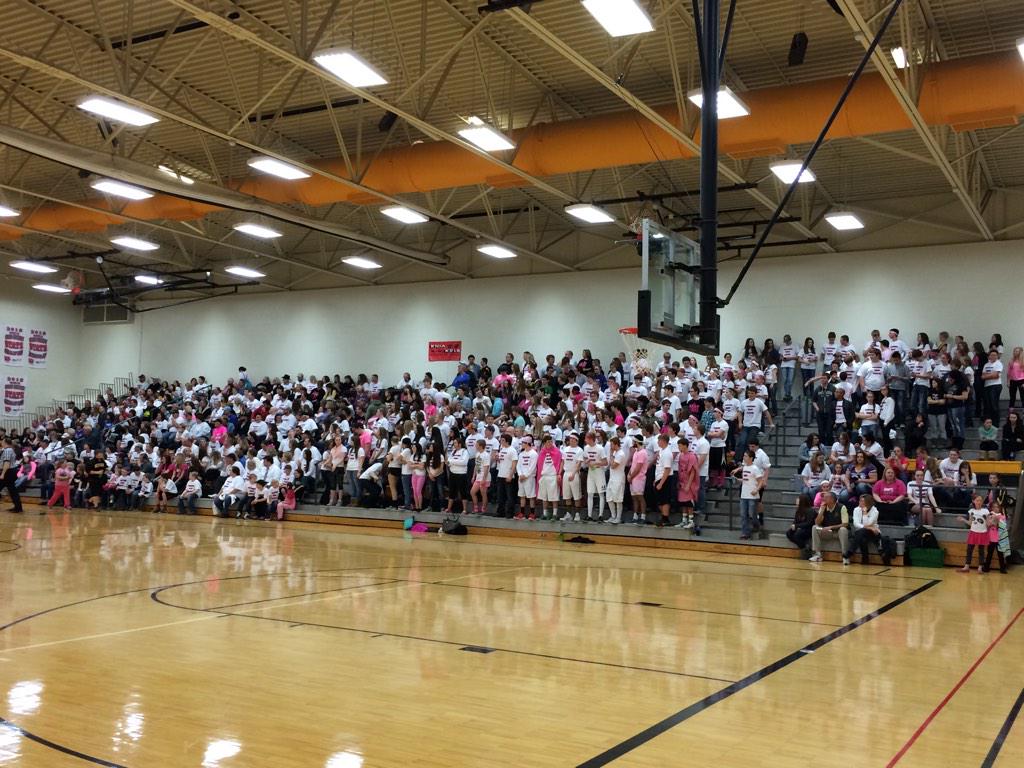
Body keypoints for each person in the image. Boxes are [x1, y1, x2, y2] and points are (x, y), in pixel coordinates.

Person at [808, 490, 849, 563]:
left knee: (843, 529)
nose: (823, 499)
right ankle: (817, 555)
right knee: (814, 527)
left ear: (832, 499)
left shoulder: (842, 507)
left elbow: (845, 524)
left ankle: (845, 556)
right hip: (827, 532)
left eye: (826, 497)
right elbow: (817, 522)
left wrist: (831, 527)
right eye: (823, 497)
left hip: (838, 532)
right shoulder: (823, 507)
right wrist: (821, 510)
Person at [733, 449, 765, 540]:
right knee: (743, 514)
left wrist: (756, 490)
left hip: (752, 495)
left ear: (751, 458)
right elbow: (746, 480)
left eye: (746, 456)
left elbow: (760, 481)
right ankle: (745, 533)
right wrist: (738, 480)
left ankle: (757, 525)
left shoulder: (755, 469)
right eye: (744, 456)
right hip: (744, 494)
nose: (744, 457)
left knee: (752, 514)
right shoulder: (745, 468)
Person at [844, 494, 882, 565]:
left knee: (860, 532)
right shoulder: (856, 509)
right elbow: (856, 524)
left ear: (868, 502)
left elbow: (867, 523)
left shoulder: (875, 511)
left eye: (862, 501)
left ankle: (851, 551)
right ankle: (865, 559)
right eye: (860, 500)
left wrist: (864, 513)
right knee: (862, 537)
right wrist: (869, 527)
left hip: (874, 533)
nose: (860, 502)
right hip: (863, 532)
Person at [958, 495, 991, 574]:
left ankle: (980, 567)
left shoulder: (986, 511)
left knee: (981, 551)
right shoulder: (971, 511)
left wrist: (992, 521)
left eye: (980, 500)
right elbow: (970, 523)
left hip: (982, 532)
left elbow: (988, 523)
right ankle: (967, 566)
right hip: (973, 532)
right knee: (969, 549)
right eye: (977, 500)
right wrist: (963, 519)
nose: (979, 502)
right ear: (974, 501)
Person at [674, 437, 699, 530]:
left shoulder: (691, 456)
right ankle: (684, 520)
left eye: (680, 445)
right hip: (682, 481)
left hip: (689, 481)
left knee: (689, 502)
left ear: (685, 445)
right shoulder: (681, 455)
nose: (679, 447)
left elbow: (693, 471)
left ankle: (691, 521)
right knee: (682, 502)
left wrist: (689, 484)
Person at [582, 431, 608, 523]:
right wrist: (587, 461)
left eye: (586, 438)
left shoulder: (600, 448)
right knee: (590, 493)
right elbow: (585, 458)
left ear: (590, 439)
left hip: (599, 472)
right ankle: (589, 515)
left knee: (601, 493)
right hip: (591, 472)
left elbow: (605, 462)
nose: (585, 440)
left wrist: (596, 462)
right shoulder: (586, 448)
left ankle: (600, 515)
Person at [535, 435, 561, 521]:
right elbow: (539, 465)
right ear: (544, 443)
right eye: (548, 442)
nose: (550, 443)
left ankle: (554, 514)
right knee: (544, 497)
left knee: (554, 497)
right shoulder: (542, 452)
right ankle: (545, 514)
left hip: (552, 476)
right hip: (544, 476)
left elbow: (560, 463)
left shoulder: (557, 452)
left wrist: (558, 474)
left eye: (551, 441)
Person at [559, 432, 584, 521]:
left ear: (577, 441)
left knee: (576, 495)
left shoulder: (579, 450)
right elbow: (562, 462)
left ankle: (577, 514)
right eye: (570, 439)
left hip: (574, 474)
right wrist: (559, 473)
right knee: (567, 496)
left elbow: (579, 463)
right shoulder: (565, 449)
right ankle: (568, 514)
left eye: (573, 439)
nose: (571, 440)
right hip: (566, 473)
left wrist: (573, 474)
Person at [515, 436, 538, 520]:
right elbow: (518, 465)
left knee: (531, 496)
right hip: (521, 478)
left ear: (527, 443)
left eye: (523, 443)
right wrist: (520, 474)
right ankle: (522, 513)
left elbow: (532, 466)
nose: (521, 445)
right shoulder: (521, 454)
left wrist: (526, 475)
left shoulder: (534, 454)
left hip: (529, 478)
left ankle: (532, 514)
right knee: (522, 495)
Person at [605, 436, 627, 525]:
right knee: (609, 497)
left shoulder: (621, 454)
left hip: (619, 478)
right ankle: (613, 516)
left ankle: (618, 517)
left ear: (616, 444)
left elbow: (613, 465)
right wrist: (611, 455)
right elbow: (611, 464)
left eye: (612, 444)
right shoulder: (615, 453)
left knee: (618, 499)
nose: (610, 446)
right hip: (612, 478)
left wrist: (611, 455)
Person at [653, 433, 673, 527]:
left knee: (665, 499)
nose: (657, 442)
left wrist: (661, 483)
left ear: (663, 441)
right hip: (659, 477)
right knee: (660, 500)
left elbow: (667, 469)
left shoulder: (667, 453)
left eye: (659, 440)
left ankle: (665, 518)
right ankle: (664, 517)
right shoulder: (662, 451)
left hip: (665, 478)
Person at [628, 435, 648, 525]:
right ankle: (635, 516)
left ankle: (643, 516)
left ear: (637, 442)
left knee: (640, 497)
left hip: (639, 478)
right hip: (633, 478)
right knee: (634, 498)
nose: (632, 443)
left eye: (633, 442)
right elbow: (633, 466)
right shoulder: (636, 451)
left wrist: (631, 476)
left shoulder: (643, 452)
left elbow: (638, 468)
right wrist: (629, 474)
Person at [981, 349, 1003, 422]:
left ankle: (996, 422)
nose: (993, 356)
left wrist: (987, 375)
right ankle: (989, 421)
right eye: (991, 355)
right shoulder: (986, 364)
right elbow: (982, 376)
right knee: (988, 405)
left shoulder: (998, 363)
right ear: (989, 356)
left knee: (994, 405)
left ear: (997, 356)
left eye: (995, 355)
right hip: (987, 386)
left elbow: (996, 375)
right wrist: (991, 374)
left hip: (995, 385)